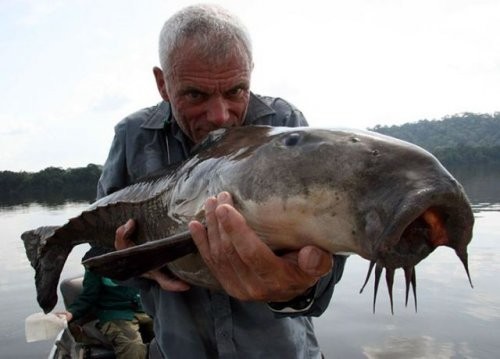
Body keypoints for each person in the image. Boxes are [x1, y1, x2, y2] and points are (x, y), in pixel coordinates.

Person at [97, 4, 347, 358]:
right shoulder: (132, 137)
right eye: (195, 95)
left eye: (235, 91)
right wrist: (142, 269)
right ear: (162, 83)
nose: (219, 116)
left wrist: (298, 286)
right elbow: (101, 249)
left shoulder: (286, 125)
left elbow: (327, 269)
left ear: (250, 73)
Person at [57, 247, 154, 359]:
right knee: (133, 346)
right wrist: (71, 313)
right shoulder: (95, 260)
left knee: (171, 335)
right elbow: (88, 296)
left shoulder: (141, 251)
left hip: (145, 310)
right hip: (115, 313)